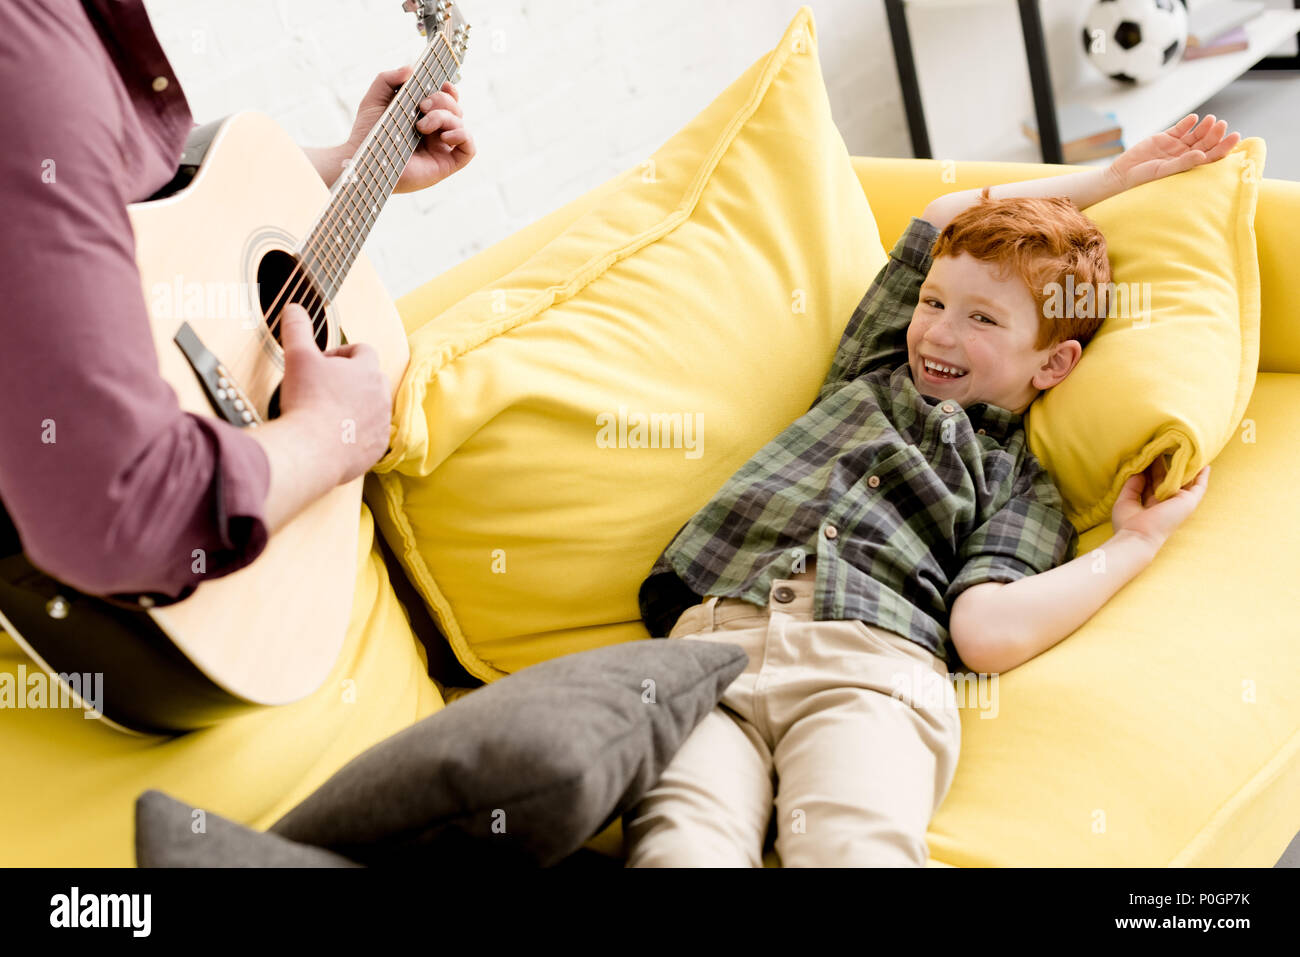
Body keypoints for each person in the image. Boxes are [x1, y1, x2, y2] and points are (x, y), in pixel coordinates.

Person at [625, 113, 1231, 867]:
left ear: (1054, 364)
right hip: (712, 651)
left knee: (855, 848)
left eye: (982, 318)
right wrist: (1109, 181)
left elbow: (986, 631)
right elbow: (946, 216)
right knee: (680, 844)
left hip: (871, 671)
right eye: (935, 302)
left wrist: (1139, 541)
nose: (940, 333)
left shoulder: (1018, 483)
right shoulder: (873, 370)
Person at [0, 0, 475, 608]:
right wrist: (325, 438)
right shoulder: (29, 42)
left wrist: (353, 164)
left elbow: (114, 197)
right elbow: (117, 508)